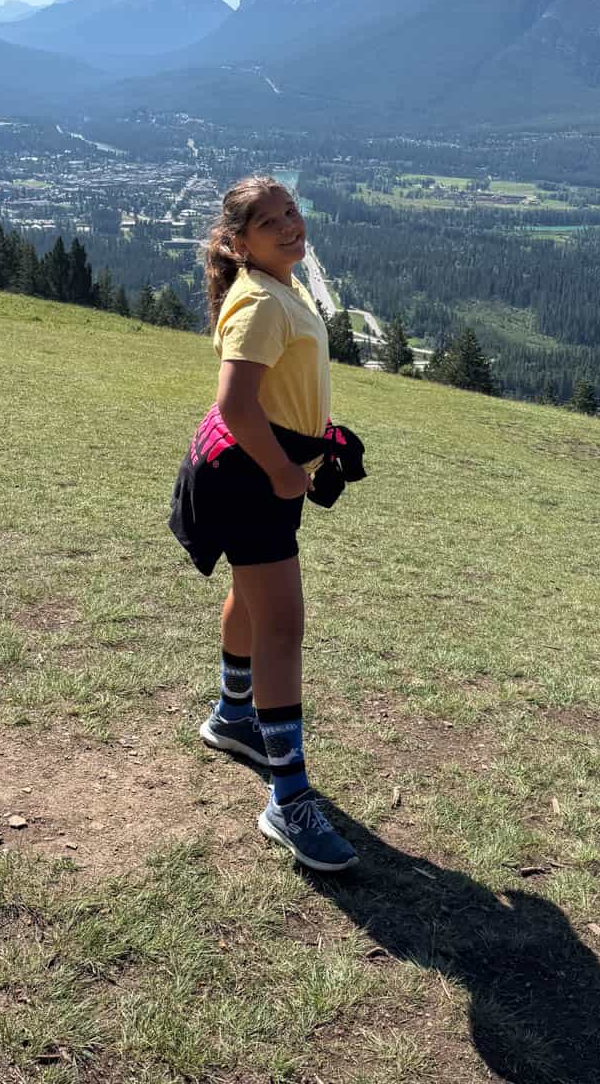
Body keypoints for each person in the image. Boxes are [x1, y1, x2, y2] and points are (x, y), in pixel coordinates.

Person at [172, 175, 359, 871]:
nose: (289, 226)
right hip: (251, 476)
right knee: (283, 628)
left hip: (260, 471)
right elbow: (236, 406)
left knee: (253, 601)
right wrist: (285, 471)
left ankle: (232, 716)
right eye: (269, 221)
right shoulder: (256, 301)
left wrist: (313, 439)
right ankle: (287, 799)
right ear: (238, 242)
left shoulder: (282, 285)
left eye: (292, 212)